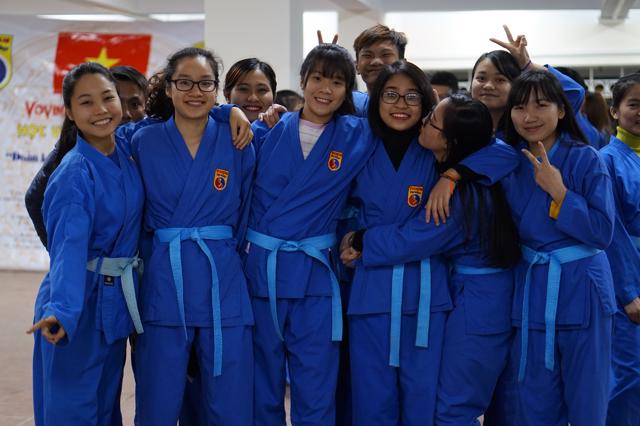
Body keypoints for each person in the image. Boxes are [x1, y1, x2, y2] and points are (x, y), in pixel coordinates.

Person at [337, 61, 518, 425]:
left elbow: (503, 152)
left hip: (430, 293)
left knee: (430, 404)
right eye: (390, 94)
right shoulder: (359, 140)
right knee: (372, 402)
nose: (401, 105)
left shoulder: (447, 163)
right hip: (373, 291)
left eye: (413, 98)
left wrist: (453, 174)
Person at [129, 47, 256, 426]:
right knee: (157, 400)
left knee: (230, 401)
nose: (195, 92)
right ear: (168, 88)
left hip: (223, 281)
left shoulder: (238, 141)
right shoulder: (142, 141)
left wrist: (229, 112)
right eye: (184, 83)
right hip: (165, 283)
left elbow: (246, 212)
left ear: (217, 90)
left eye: (205, 84)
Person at [28, 62, 145, 426]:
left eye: (108, 98)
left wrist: (230, 112)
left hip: (113, 302)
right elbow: (68, 247)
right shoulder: (75, 172)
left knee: (105, 406)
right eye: (86, 102)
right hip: (76, 302)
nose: (100, 110)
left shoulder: (125, 149)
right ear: (69, 112)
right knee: (73, 410)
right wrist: (62, 309)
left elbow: (179, 122)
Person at [500, 69, 615, 425]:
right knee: (532, 401)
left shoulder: (586, 158)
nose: (529, 116)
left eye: (541, 105)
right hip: (532, 287)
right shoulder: (508, 159)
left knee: (587, 400)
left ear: (562, 110)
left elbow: (602, 232)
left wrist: (560, 193)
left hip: (583, 287)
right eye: (519, 107)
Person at [600, 73, 640, 426]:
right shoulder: (606, 161)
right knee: (629, 374)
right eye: (634, 104)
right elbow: (611, 233)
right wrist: (627, 292)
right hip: (628, 280)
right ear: (614, 111)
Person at [352, 24, 408, 116]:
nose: (376, 62)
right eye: (367, 55)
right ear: (356, 66)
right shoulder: (349, 106)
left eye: (385, 55)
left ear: (403, 64)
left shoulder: (416, 106)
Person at [223, 58, 277, 122]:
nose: (253, 98)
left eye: (262, 90)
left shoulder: (284, 125)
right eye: (243, 89)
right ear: (227, 94)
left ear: (274, 95)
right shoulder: (214, 125)